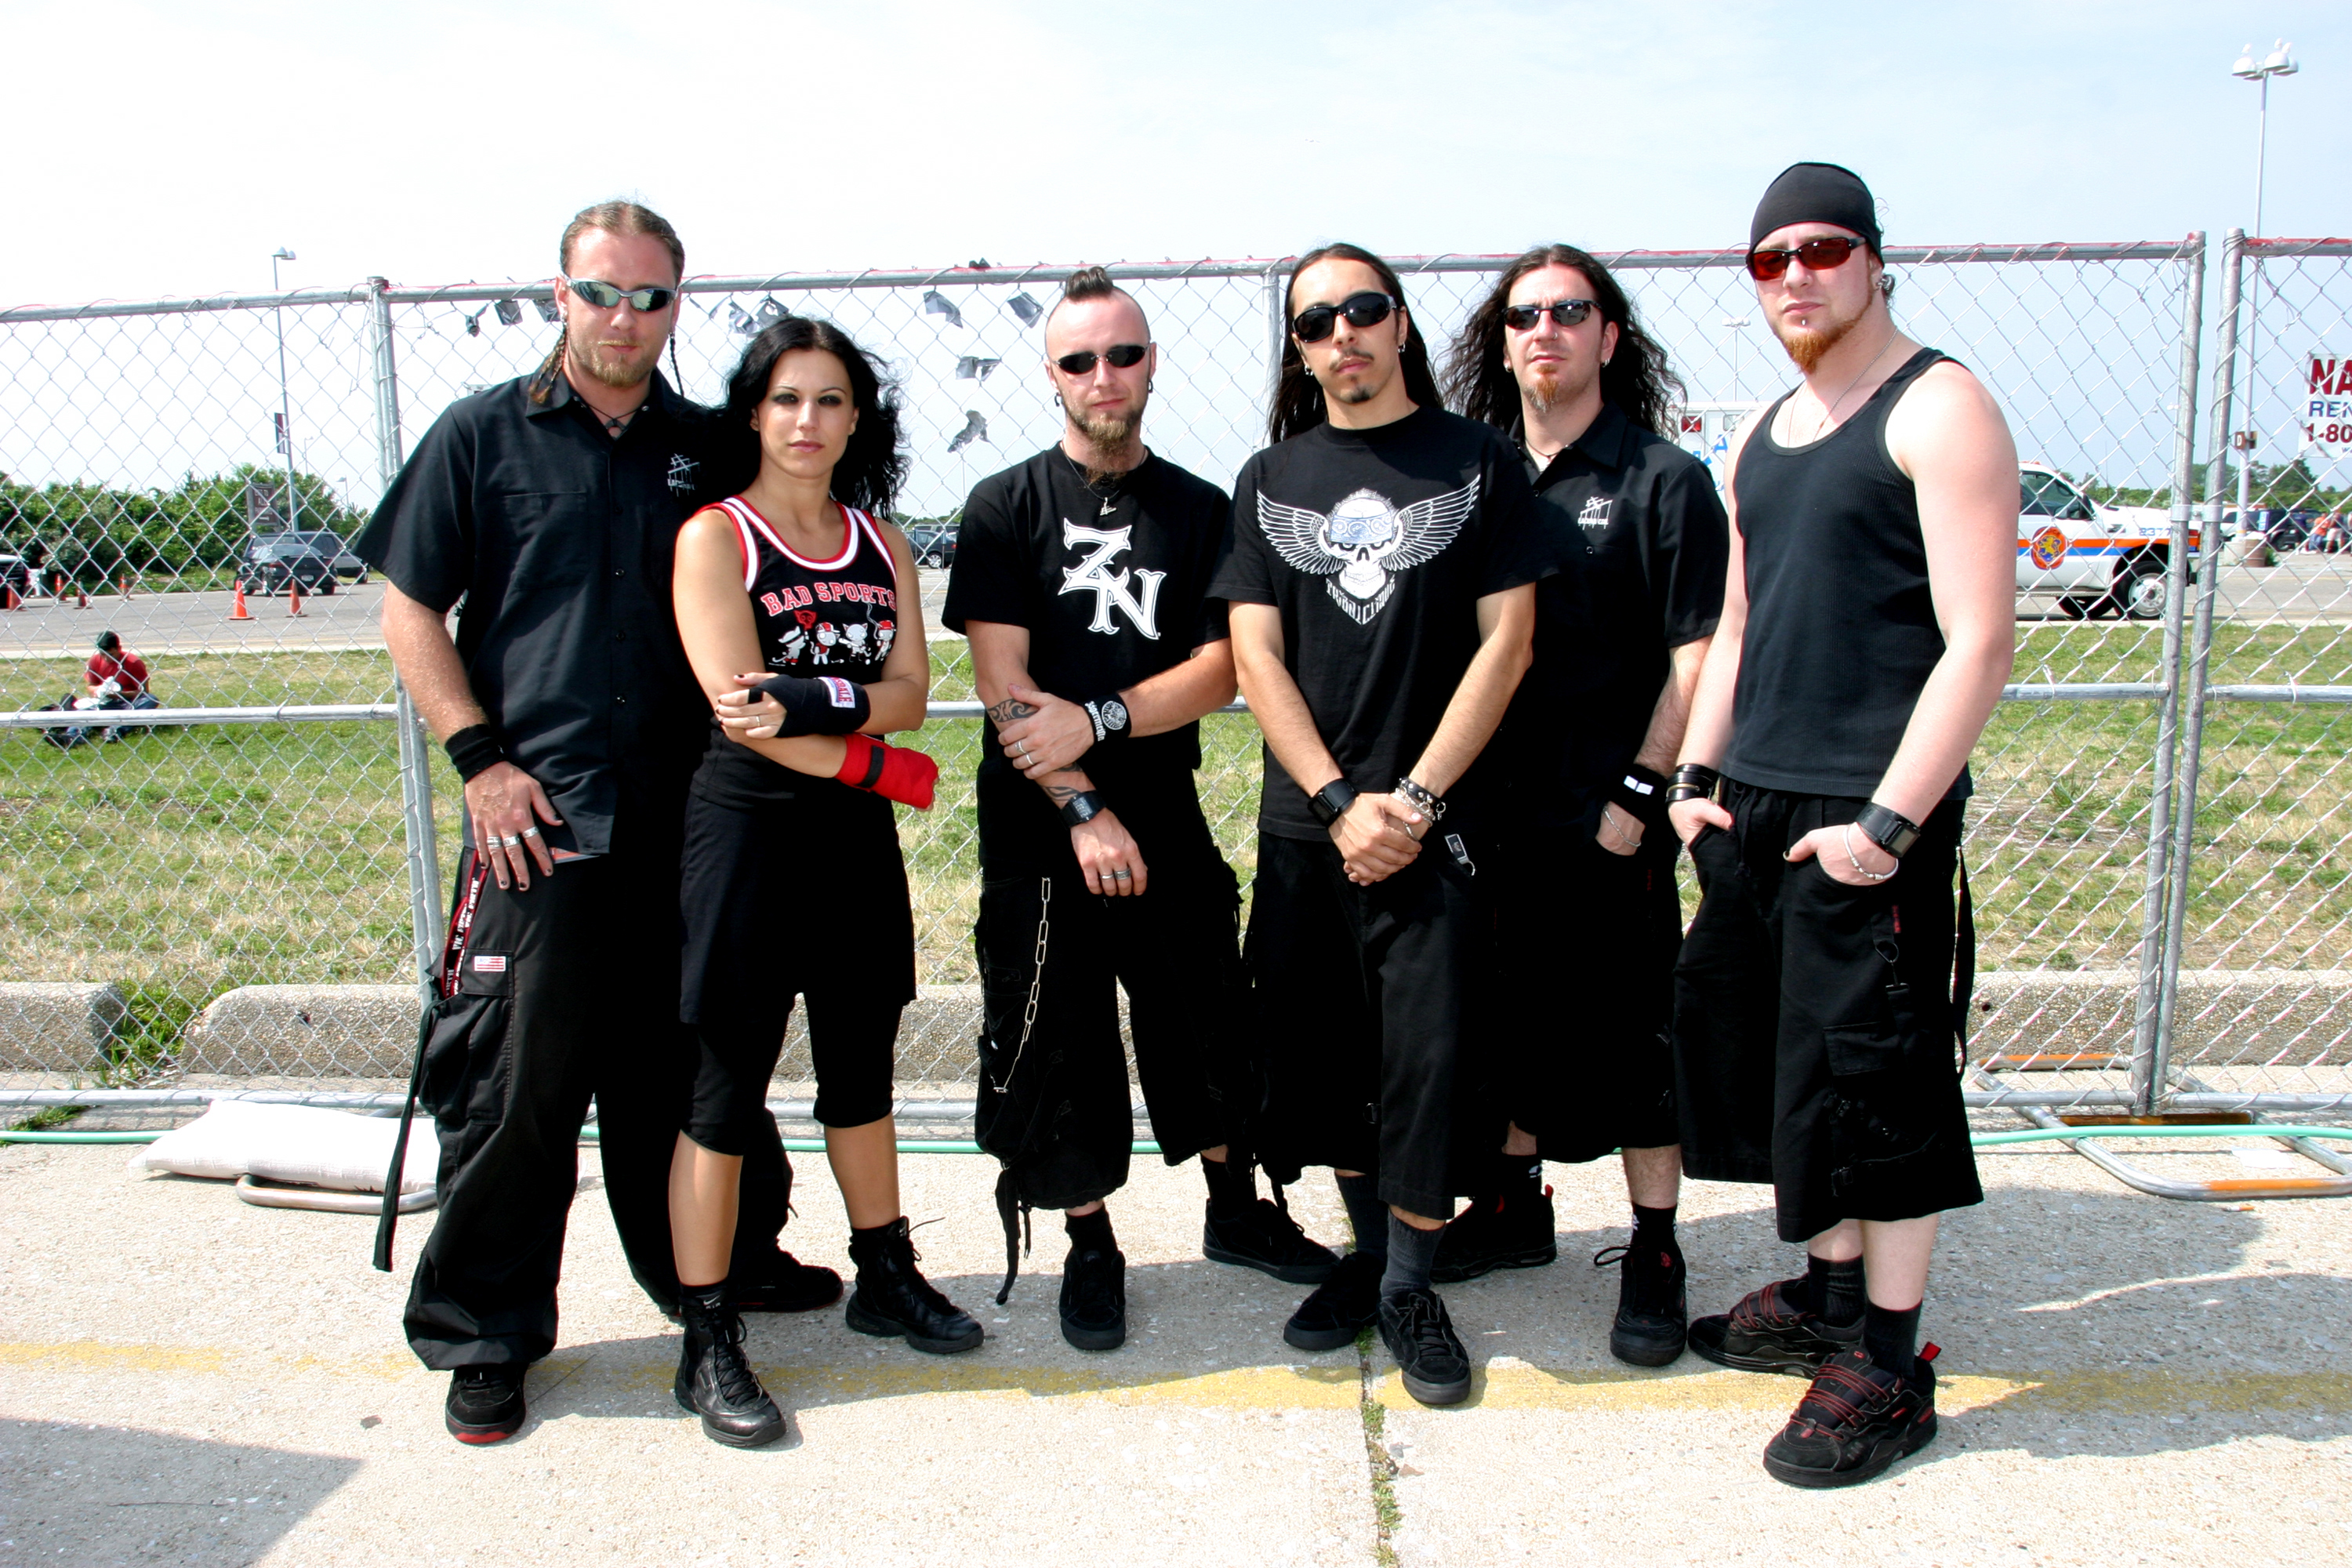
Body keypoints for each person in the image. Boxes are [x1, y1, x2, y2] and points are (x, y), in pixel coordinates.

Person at [361, 201, 832, 1449]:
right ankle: (487, 1333)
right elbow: (411, 608)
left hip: (692, 821)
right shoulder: (481, 437)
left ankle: (712, 1283)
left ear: (681, 304)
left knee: (686, 1072)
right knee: (517, 1086)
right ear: (558, 297)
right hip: (541, 820)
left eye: (650, 298)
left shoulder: (707, 450)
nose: (625, 318)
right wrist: (478, 761)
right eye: (601, 293)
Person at [1666, 162, 2016, 1487]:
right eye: (1769, 260)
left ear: (1875, 259)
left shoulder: (1942, 406)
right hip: (1756, 803)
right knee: (1787, 1076)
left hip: (1872, 811)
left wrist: (1887, 824)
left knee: (1880, 1087)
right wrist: (1696, 778)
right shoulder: (1767, 430)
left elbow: (1980, 643)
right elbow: (1743, 624)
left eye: (1821, 250)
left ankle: (1888, 1359)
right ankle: (1822, 1296)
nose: (1796, 276)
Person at [945, 267, 1335, 1355]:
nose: (1103, 377)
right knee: (1057, 1036)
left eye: (1123, 354)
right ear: (1052, 374)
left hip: (1160, 805)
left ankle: (1237, 1208)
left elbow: (1224, 669)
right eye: (1079, 360)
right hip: (1039, 822)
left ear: (1153, 361)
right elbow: (1003, 686)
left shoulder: (1203, 508)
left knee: (1207, 1010)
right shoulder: (1003, 506)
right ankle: (1090, 1244)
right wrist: (1080, 807)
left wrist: (1106, 720)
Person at [1214, 243, 1546, 1408]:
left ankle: (1410, 1281)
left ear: (1399, 323)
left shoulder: (1479, 462)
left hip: (1433, 829)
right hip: (1315, 830)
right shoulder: (1270, 476)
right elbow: (1255, 654)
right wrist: (1338, 799)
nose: (1341, 334)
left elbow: (1509, 641)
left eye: (1362, 310)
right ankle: (1369, 1256)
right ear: (1300, 349)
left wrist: (1413, 800)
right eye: (1315, 322)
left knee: (1430, 1062)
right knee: (1327, 1063)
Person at [666, 315, 969, 1446]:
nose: (808, 421)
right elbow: (739, 714)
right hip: (747, 837)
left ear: (857, 417)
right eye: (788, 399)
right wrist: (869, 755)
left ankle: (884, 1272)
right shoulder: (717, 536)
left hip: (852, 844)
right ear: (754, 411)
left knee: (862, 1068)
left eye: (831, 400)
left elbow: (912, 691)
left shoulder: (878, 539)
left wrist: (828, 714)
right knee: (723, 1089)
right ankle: (705, 1336)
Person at [1437, 245, 1728, 1367]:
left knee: (1631, 1034)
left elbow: (1697, 652)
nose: (1544, 331)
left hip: (1606, 820)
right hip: (1486, 815)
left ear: (1610, 335)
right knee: (1506, 1023)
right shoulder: (1476, 476)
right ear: (1500, 342)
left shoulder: (1663, 480)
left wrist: (1641, 793)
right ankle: (1514, 1207)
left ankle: (1656, 1245)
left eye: (1571, 312)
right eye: (1523, 316)